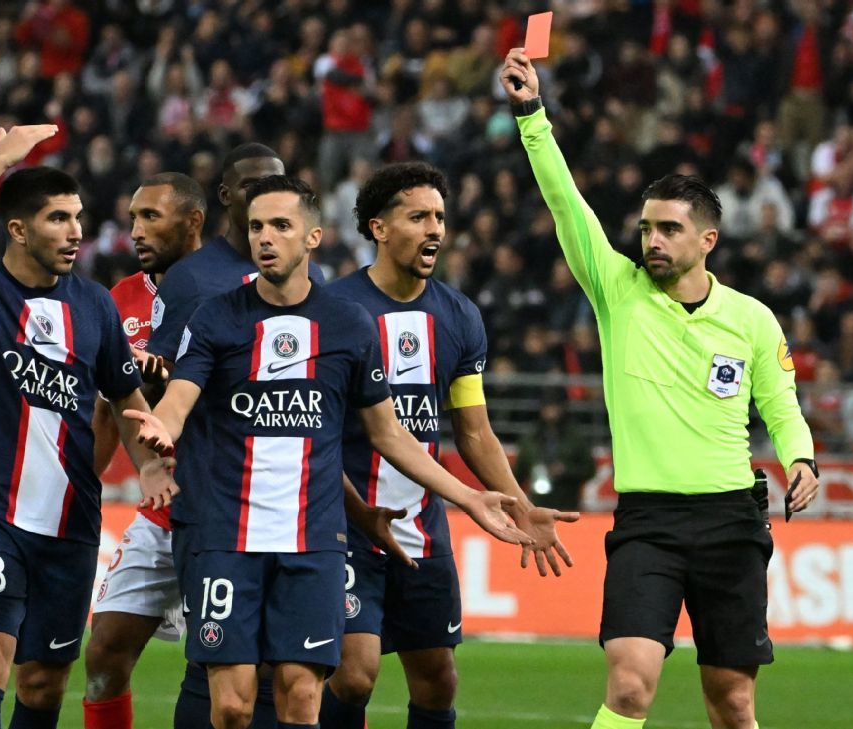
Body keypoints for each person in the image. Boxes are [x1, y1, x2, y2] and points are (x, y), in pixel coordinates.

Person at [123, 175, 532, 729]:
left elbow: (389, 434)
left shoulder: (346, 325)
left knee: (302, 696)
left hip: (313, 541)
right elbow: (179, 399)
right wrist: (161, 428)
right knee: (235, 705)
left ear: (313, 237)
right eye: (256, 227)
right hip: (225, 536)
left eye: (281, 226)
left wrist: (471, 497)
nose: (265, 237)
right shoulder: (217, 317)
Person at [500, 50, 820, 729]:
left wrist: (802, 457)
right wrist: (532, 115)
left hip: (732, 522)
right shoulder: (618, 291)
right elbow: (565, 202)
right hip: (648, 523)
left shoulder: (751, 319)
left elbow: (781, 405)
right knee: (629, 685)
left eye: (669, 228)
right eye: (647, 226)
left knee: (732, 702)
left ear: (708, 238)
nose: (652, 239)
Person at [0, 124, 174, 729]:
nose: (76, 231)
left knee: (44, 681)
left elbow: (126, 396)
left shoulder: (95, 305)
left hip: (69, 519)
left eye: (77, 217)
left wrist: (152, 461)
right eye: (58, 218)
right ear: (21, 230)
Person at [321, 162, 580, 729]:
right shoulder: (335, 311)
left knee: (438, 680)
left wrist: (516, 501)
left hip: (423, 526)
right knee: (355, 672)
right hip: (347, 523)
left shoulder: (459, 316)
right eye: (418, 216)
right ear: (379, 228)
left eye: (440, 216)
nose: (435, 228)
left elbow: (474, 430)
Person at [83, 172, 205, 729]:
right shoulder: (120, 299)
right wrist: (81, 489)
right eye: (133, 218)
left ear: (193, 221)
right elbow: (109, 408)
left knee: (247, 670)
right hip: (160, 509)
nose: (136, 230)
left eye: (151, 217)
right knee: (105, 649)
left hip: (227, 503)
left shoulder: (229, 290)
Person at [514, 389, 598, 512]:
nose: (550, 411)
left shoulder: (575, 437)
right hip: (538, 506)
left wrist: (566, 470)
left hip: (568, 504)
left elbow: (589, 469)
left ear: (562, 408)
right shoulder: (531, 438)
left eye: (553, 407)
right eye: (547, 407)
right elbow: (518, 474)